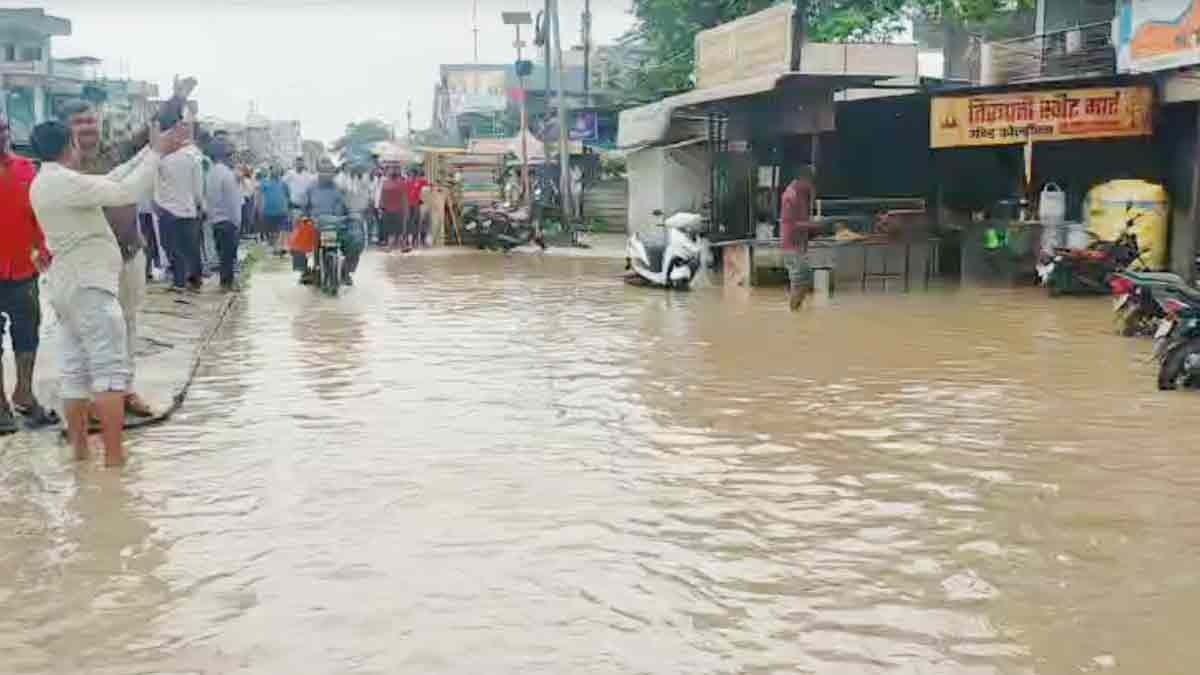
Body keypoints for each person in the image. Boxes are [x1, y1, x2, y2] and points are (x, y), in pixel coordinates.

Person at [29, 119, 190, 466]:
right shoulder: (62, 181)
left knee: (74, 372)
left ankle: (81, 457)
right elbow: (125, 192)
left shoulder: (46, 181)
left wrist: (151, 151)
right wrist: (155, 156)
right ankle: (115, 462)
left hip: (66, 286)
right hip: (90, 287)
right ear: (69, 144)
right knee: (109, 373)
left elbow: (109, 180)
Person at [0, 114, 57, 432]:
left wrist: (44, 250)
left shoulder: (26, 169)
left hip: (24, 269)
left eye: (3, 130)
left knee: (28, 333)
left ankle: (24, 394)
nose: (1, 136)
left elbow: (40, 214)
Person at [156, 119, 205, 292]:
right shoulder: (195, 156)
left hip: (168, 210)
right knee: (191, 246)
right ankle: (194, 278)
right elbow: (198, 188)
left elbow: (156, 185)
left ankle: (179, 281)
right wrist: (199, 205)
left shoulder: (163, 159)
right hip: (189, 209)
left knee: (172, 246)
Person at [301, 158, 362, 285]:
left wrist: (354, 214)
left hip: (337, 227)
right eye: (323, 171)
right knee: (297, 244)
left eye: (329, 171)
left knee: (357, 242)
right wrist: (303, 217)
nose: (326, 174)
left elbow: (350, 207)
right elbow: (304, 208)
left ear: (333, 173)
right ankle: (306, 271)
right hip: (316, 227)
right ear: (318, 172)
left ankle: (346, 271)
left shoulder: (341, 189)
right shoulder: (310, 189)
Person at [204, 134, 243, 291]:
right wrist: (237, 222)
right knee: (228, 257)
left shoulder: (211, 173)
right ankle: (227, 285)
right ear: (225, 155)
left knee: (223, 256)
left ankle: (225, 284)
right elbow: (233, 203)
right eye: (231, 155)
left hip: (216, 221)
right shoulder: (227, 174)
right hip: (228, 222)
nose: (233, 158)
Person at [780, 165, 817, 311]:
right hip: (792, 244)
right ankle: (794, 314)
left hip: (799, 243)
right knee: (800, 281)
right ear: (803, 179)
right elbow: (791, 224)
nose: (811, 185)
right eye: (810, 181)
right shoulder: (791, 195)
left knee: (805, 280)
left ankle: (797, 313)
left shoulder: (801, 194)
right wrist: (813, 225)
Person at [377, 165, 409, 251]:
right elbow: (404, 198)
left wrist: (380, 207)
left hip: (388, 210)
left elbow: (382, 197)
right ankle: (402, 246)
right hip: (399, 210)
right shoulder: (402, 184)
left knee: (390, 230)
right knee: (400, 230)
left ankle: (390, 246)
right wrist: (406, 210)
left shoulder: (385, 184)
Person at [259, 166, 290, 254]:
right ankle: (273, 247)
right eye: (274, 169)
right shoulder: (265, 182)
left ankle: (277, 248)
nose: (276, 171)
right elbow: (260, 196)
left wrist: (287, 209)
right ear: (270, 170)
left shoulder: (283, 183)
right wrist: (259, 208)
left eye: (278, 170)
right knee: (270, 232)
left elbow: (287, 196)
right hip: (268, 211)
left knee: (279, 231)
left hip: (281, 211)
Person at [406, 167, 429, 248]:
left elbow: (426, 190)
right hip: (408, 205)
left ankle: (415, 240)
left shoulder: (422, 182)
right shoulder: (407, 182)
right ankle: (408, 241)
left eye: (413, 174)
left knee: (417, 222)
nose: (411, 176)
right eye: (410, 174)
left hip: (417, 205)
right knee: (408, 222)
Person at [239, 166, 257, 239]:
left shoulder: (248, 180)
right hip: (245, 199)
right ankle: (244, 232)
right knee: (245, 216)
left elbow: (251, 189)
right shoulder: (244, 180)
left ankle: (246, 231)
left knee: (247, 216)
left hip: (248, 198)